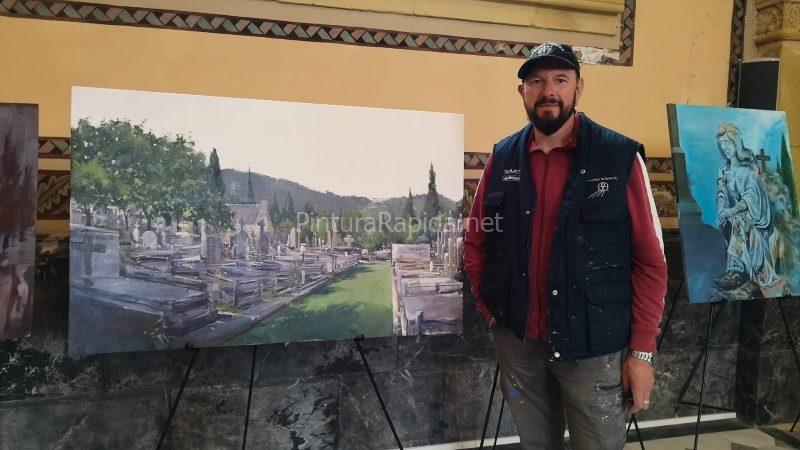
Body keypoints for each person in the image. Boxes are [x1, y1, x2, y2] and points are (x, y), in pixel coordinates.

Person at [464, 42, 668, 449]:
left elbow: (650, 262)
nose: (548, 91)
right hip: (520, 345)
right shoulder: (502, 158)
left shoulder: (619, 158)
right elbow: (476, 242)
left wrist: (642, 353)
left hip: (593, 347)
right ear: (522, 91)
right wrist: (492, 315)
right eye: (536, 81)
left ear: (579, 88)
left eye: (560, 80)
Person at [714, 122, 781, 292]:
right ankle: (735, 269)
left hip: (758, 218)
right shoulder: (723, 171)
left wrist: (731, 211)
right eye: (721, 143)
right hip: (737, 215)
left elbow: (750, 199)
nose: (724, 147)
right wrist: (722, 211)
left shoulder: (749, 172)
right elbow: (722, 193)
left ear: (736, 143)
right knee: (730, 220)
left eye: (727, 142)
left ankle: (737, 272)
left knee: (739, 220)